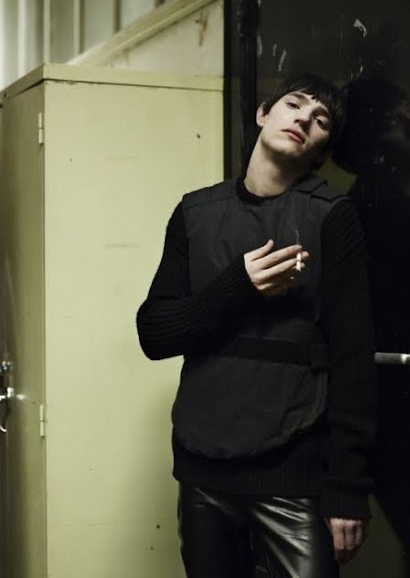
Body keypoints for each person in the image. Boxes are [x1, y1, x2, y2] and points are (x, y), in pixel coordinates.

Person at [136, 73, 377, 578]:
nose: (303, 119)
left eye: (320, 120)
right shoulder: (196, 212)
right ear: (263, 114)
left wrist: (348, 489)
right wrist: (238, 286)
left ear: (321, 153)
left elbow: (353, 359)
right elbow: (155, 334)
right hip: (203, 470)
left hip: (294, 474)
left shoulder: (333, 216)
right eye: (294, 105)